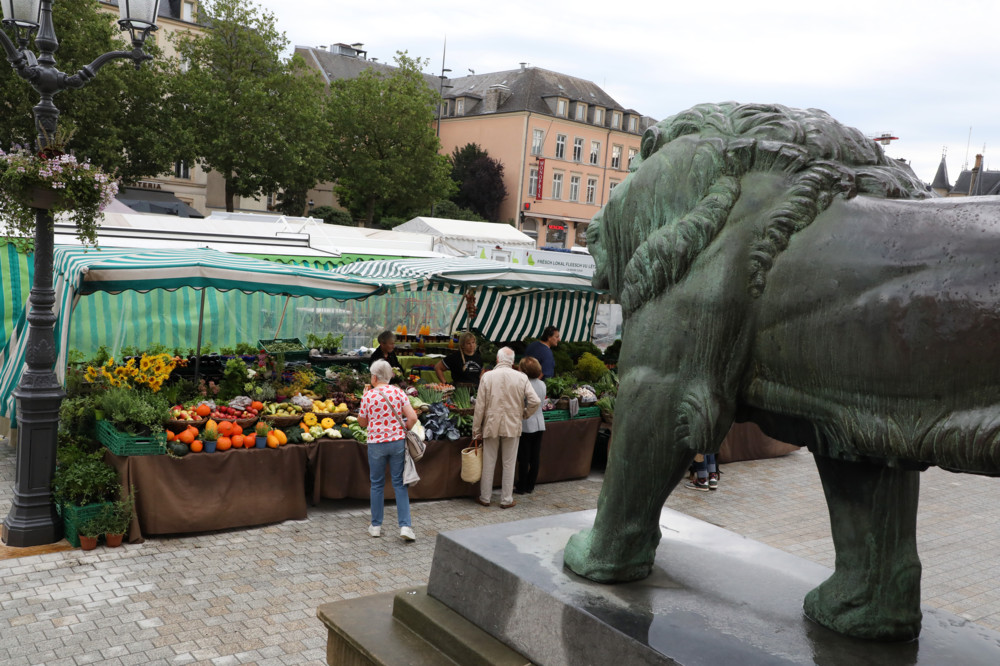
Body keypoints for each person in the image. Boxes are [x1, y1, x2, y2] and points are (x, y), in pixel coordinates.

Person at [357, 359, 419, 540]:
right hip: (397, 442)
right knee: (399, 484)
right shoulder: (399, 392)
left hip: (376, 443)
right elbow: (413, 418)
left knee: (376, 484)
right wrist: (403, 429)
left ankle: (376, 526)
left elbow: (362, 422)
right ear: (390, 376)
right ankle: (405, 527)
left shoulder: (369, 396)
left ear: (374, 377)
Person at [472, 347, 541, 508]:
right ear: (512, 362)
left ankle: (485, 497)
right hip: (512, 423)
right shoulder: (521, 377)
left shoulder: (487, 377)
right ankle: (506, 499)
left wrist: (476, 430)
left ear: (497, 359)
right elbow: (535, 401)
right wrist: (524, 414)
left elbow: (479, 407)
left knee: (489, 462)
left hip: (491, 424)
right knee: (509, 463)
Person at [514, 356, 546, 495]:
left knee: (524, 457)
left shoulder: (523, 384)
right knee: (535, 456)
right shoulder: (542, 384)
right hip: (540, 423)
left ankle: (521, 486)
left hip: (527, 423)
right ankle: (530, 485)